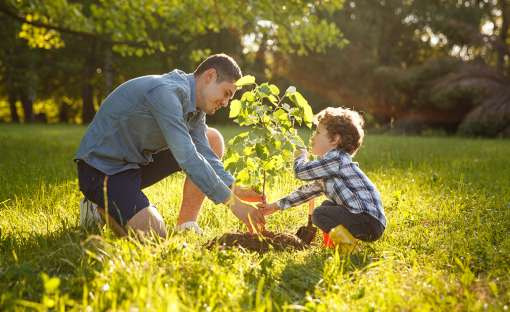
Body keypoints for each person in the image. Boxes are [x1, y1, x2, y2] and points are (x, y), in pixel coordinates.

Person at [75, 53, 265, 238]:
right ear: (210, 76)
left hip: (134, 164)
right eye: (226, 93)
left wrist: (235, 189)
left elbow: (205, 154)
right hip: (101, 170)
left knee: (211, 139)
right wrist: (234, 204)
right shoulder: (167, 93)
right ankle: (98, 206)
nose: (225, 103)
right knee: (155, 234)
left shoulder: (197, 109)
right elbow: (188, 157)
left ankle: (186, 225)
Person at [258, 107, 386, 247]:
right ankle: (333, 245)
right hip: (369, 221)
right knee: (326, 207)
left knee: (319, 214)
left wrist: (301, 156)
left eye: (318, 132)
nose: (313, 136)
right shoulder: (330, 170)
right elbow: (305, 192)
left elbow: (300, 172)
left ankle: (347, 247)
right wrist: (274, 207)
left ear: (335, 140)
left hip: (367, 220)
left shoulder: (336, 159)